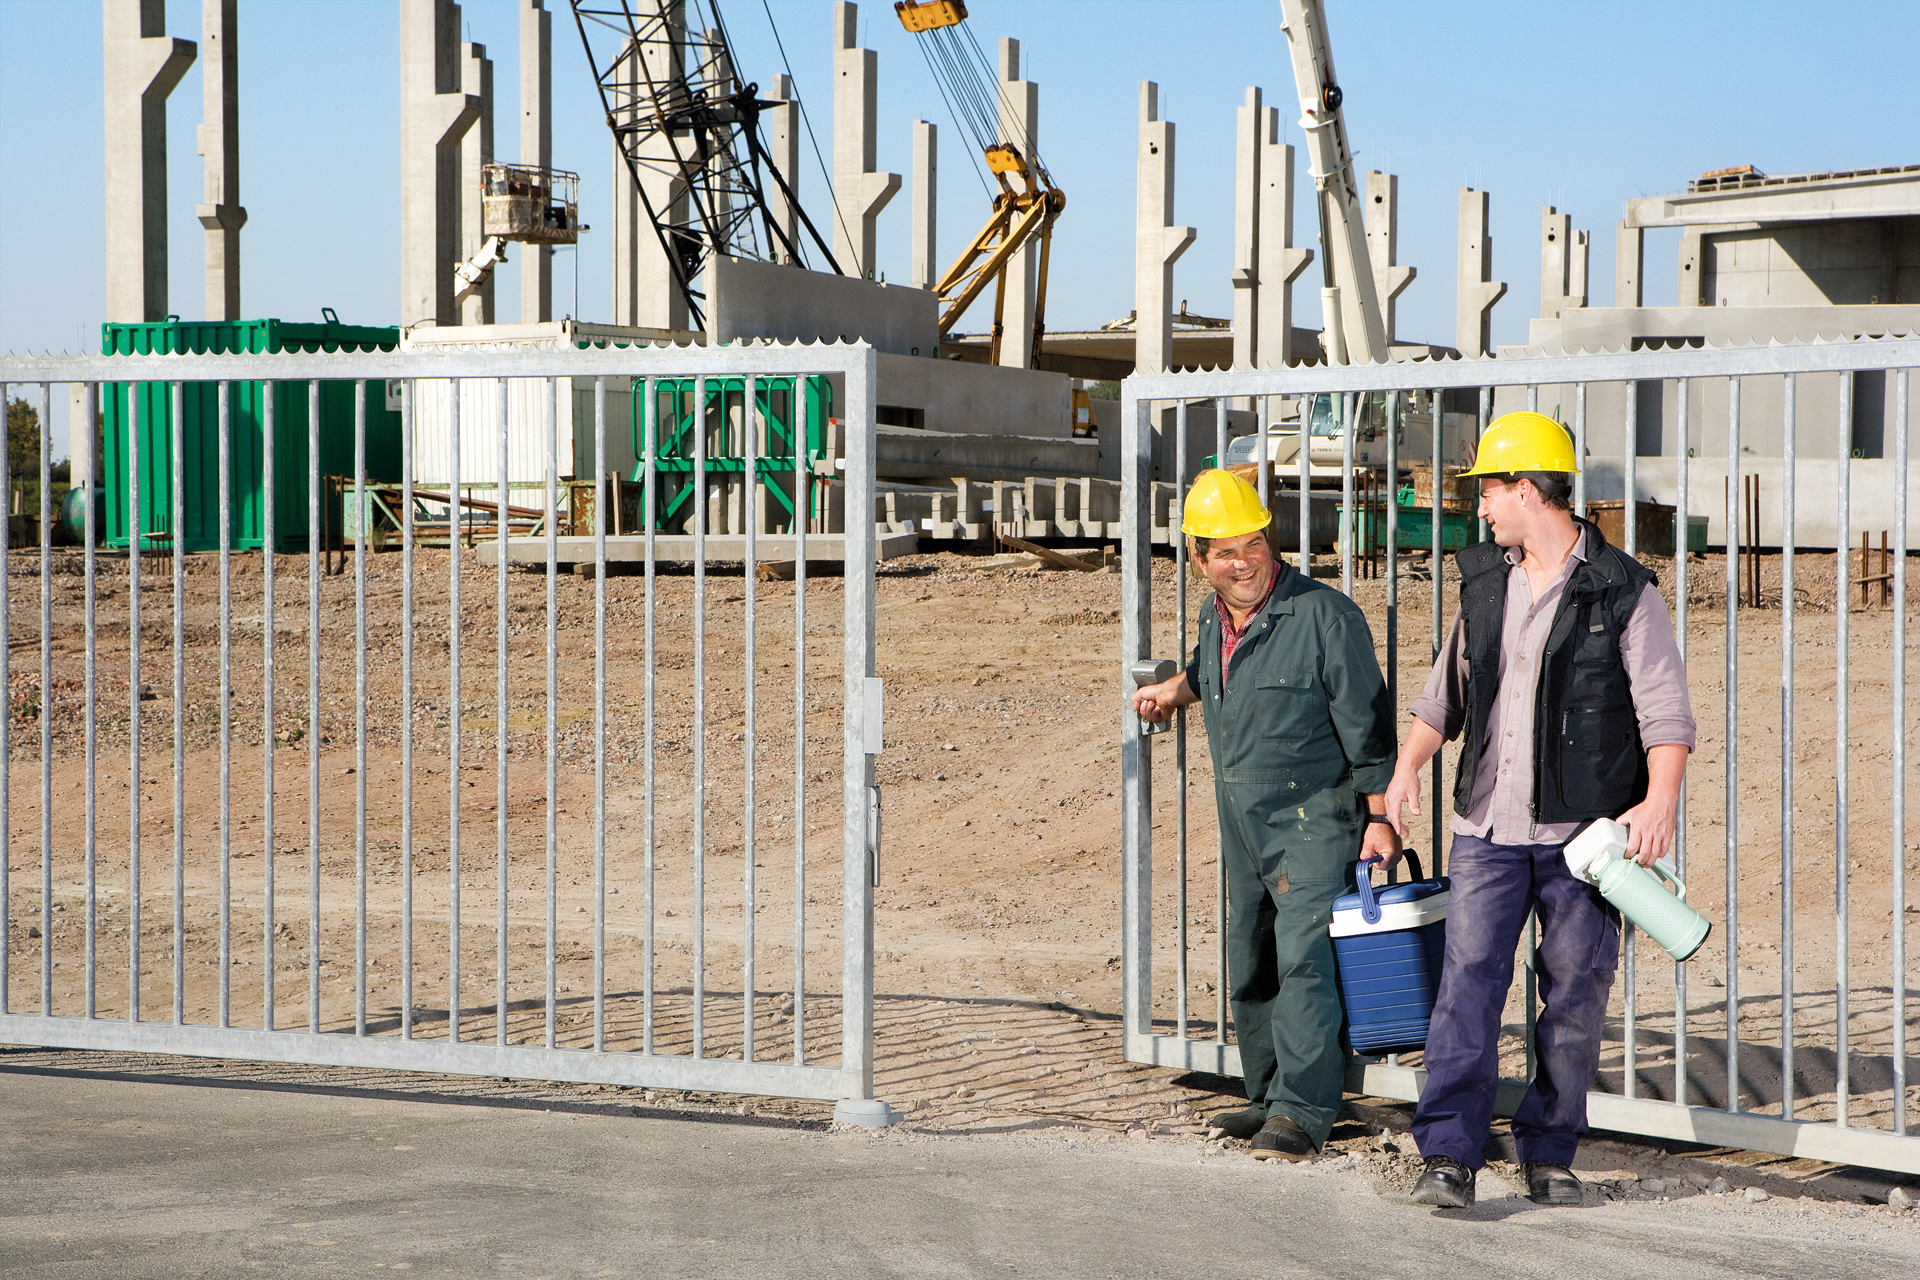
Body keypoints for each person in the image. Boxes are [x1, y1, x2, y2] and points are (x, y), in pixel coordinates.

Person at [1383, 412, 1696, 1208]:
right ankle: (1449, 1155)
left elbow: (1665, 712)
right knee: (1466, 990)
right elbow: (1443, 691)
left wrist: (1659, 802)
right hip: (1487, 830)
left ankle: (1550, 1150)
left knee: (1576, 995)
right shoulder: (1485, 581)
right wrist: (1407, 770)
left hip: (1584, 840)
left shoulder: (1623, 589)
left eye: (1488, 491)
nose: (1480, 509)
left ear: (1527, 489)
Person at [1132, 468, 1399, 1161]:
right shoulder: (1210, 616)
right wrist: (1169, 693)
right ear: (1198, 560)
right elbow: (1208, 671)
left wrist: (1380, 818)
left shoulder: (1323, 616)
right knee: (1252, 954)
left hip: (1314, 815)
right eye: (1225, 551)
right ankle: (1269, 1093)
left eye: (1253, 544)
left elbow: (1368, 725)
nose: (1244, 561)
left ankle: (1306, 1110)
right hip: (1243, 815)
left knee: (1307, 960)